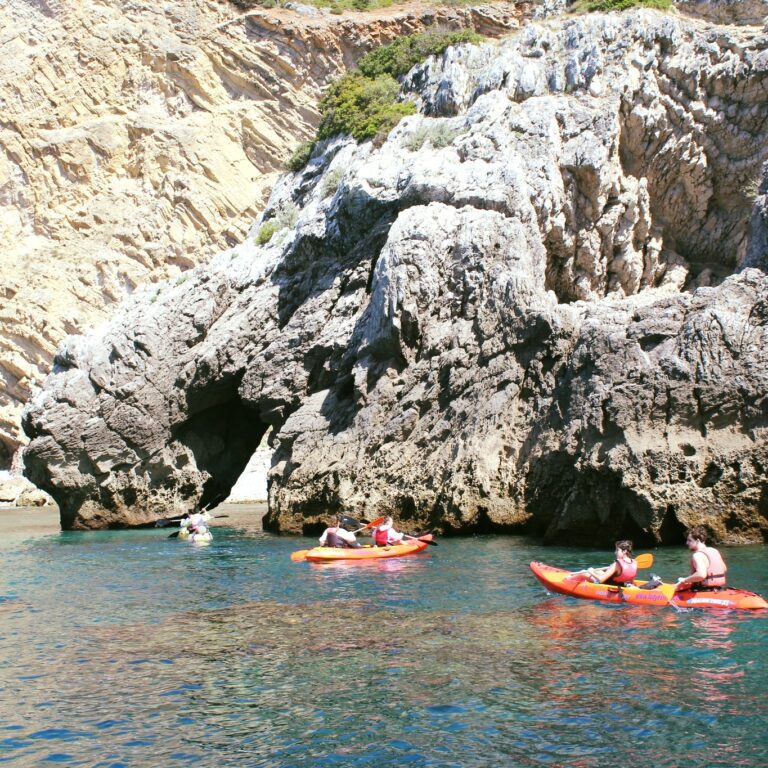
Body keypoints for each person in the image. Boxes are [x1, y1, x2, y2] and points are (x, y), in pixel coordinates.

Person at [675, 527, 727, 592]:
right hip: (719, 589)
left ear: (697, 541)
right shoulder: (714, 550)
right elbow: (724, 568)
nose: (687, 543)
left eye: (689, 540)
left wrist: (685, 580)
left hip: (704, 590)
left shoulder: (697, 555)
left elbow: (701, 575)